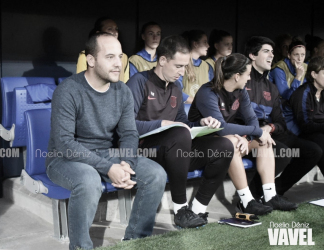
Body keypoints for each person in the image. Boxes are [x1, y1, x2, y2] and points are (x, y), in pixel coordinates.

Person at [46, 33, 167, 250]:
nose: (118, 64)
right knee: (89, 179)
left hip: (104, 153)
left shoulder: (122, 90)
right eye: (110, 57)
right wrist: (108, 167)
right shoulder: (68, 91)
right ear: (91, 60)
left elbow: (130, 133)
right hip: (64, 159)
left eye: (120, 57)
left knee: (156, 174)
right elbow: (64, 144)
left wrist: (127, 163)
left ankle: (136, 242)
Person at [127, 35, 234, 227]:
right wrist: (162, 124)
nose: (183, 72)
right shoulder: (138, 82)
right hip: (145, 152)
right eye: (178, 66)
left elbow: (182, 124)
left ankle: (198, 209)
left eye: (185, 66)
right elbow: (127, 126)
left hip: (176, 153)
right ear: (162, 60)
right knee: (178, 134)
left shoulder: (175, 87)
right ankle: (180, 210)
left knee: (224, 146)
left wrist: (202, 123)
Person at [189, 53, 297, 215]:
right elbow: (221, 128)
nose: (249, 79)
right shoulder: (208, 92)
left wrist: (249, 137)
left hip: (228, 139)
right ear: (236, 76)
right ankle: (247, 201)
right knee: (232, 141)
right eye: (247, 75)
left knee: (264, 142)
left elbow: (252, 119)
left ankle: (270, 196)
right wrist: (256, 131)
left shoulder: (241, 91)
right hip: (202, 145)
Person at [243, 36, 321, 202]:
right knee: (283, 153)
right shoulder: (242, 81)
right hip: (250, 137)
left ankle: (276, 191)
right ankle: (252, 197)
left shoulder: (271, 87)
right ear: (252, 55)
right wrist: (259, 130)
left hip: (273, 132)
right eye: (266, 51)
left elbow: (279, 121)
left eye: (272, 52)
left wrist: (271, 128)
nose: (271, 55)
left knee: (313, 151)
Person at [290, 56, 324, 178]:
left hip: (319, 131)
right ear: (314, 74)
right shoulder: (302, 93)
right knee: (320, 143)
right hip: (300, 135)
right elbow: (305, 126)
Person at [76, 17, 129, 83]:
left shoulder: (124, 57)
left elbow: (126, 82)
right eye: (110, 29)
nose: (115, 32)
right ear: (99, 33)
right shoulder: (85, 56)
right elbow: (81, 82)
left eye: (116, 29)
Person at [178, 30, 214, 104]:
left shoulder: (207, 66)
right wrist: (196, 102)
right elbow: (176, 90)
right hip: (186, 109)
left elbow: (212, 90)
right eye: (204, 42)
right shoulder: (181, 64)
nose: (208, 45)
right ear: (195, 44)